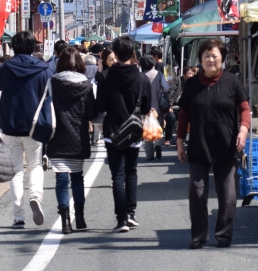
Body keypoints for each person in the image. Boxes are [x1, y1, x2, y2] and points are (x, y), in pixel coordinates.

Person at [176, 39, 250, 249]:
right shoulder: (192, 84)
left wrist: (243, 130)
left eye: (215, 56)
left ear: (223, 59)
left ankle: (224, 235)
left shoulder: (232, 81)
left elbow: (244, 109)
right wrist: (180, 142)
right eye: (206, 56)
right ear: (200, 60)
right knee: (196, 191)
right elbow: (184, 115)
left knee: (227, 194)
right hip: (198, 144)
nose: (210, 59)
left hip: (226, 144)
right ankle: (199, 236)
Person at [0, 30, 53, 228]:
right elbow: (51, 91)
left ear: (14, 47)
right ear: (33, 47)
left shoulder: (7, 67)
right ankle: (35, 195)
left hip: (11, 124)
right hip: (35, 125)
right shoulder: (43, 68)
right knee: (35, 166)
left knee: (15, 171)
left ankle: (18, 217)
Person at [100, 36, 150, 232]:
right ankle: (131, 213)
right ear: (132, 53)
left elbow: (101, 105)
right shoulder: (142, 78)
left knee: (117, 176)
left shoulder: (105, 76)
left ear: (115, 53)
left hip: (112, 131)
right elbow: (145, 107)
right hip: (133, 129)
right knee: (131, 172)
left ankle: (121, 220)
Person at [48, 49, 96, 233]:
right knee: (77, 178)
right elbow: (91, 113)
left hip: (57, 136)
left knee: (61, 180)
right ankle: (80, 218)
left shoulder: (52, 82)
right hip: (78, 136)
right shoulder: (86, 85)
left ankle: (65, 222)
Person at [141, 54, 170, 161]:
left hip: (144, 108)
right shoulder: (158, 74)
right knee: (159, 126)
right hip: (158, 107)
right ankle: (158, 144)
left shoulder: (140, 76)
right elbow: (166, 88)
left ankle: (149, 155)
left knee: (147, 129)